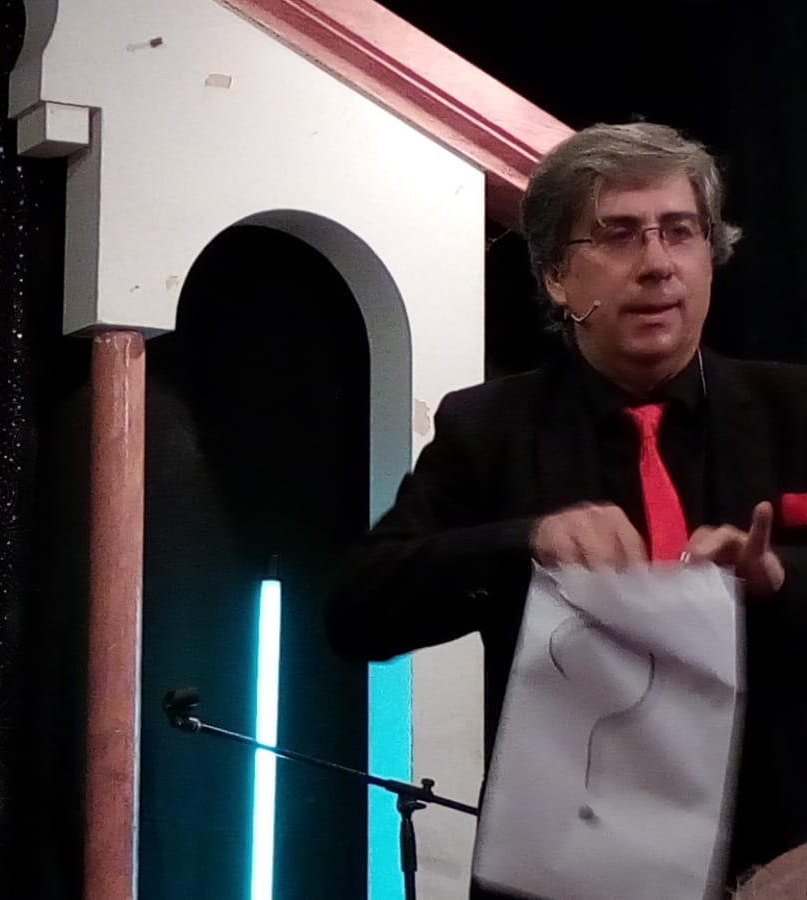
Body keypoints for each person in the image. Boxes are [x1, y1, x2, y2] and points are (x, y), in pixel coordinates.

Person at [326, 121, 807, 897]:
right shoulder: (489, 428)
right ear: (555, 274)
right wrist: (525, 541)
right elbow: (355, 613)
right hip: (565, 874)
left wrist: (778, 581)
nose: (657, 263)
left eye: (680, 232)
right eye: (618, 236)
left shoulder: (795, 409)